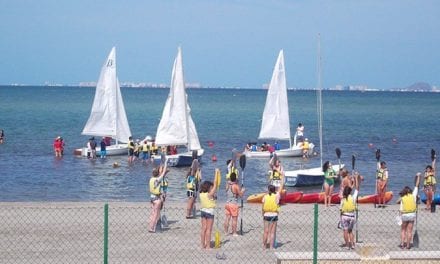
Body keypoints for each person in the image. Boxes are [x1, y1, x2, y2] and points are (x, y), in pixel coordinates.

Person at [396, 173, 420, 250]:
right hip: (412, 215)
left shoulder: (402, 198)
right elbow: (416, 185)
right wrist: (418, 176)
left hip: (404, 215)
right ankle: (408, 245)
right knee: (409, 231)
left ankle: (402, 244)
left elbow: (398, 204)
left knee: (403, 230)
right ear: (410, 191)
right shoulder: (413, 195)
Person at [339, 172, 360, 250]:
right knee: (350, 231)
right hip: (352, 216)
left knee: (345, 230)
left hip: (344, 216)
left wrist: (340, 218)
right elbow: (357, 189)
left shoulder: (343, 199)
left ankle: (347, 245)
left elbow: (341, 210)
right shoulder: (353, 197)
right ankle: (353, 245)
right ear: (350, 192)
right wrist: (356, 179)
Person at [148, 162, 169, 233]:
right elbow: (163, 173)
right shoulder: (157, 180)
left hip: (151, 197)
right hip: (157, 198)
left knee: (153, 213)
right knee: (156, 214)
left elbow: (162, 173)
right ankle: (152, 228)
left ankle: (150, 226)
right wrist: (165, 163)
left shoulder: (151, 179)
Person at [262, 180, 283, 250]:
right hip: (274, 215)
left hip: (266, 215)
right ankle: (271, 247)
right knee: (272, 232)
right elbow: (280, 189)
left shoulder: (265, 196)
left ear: (268, 190)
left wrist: (263, 214)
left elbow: (263, 206)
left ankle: (264, 246)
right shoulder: (277, 196)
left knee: (266, 231)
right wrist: (282, 180)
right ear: (274, 190)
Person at [200, 178, 218, 249]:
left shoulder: (201, 194)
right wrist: (216, 173)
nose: (212, 188)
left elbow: (212, 197)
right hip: (210, 212)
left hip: (203, 211)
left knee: (203, 228)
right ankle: (208, 246)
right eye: (211, 187)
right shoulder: (209, 195)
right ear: (209, 188)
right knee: (209, 229)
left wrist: (214, 197)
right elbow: (215, 185)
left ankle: (202, 245)